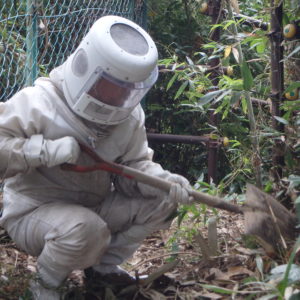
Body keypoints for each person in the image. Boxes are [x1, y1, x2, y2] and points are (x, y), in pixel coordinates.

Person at [0, 15, 193, 299]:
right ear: (85, 68)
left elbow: (133, 166)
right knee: (85, 229)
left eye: (127, 91)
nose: (119, 97)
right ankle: (44, 286)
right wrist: (42, 151)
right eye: (111, 85)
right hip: (33, 213)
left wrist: (162, 181)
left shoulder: (129, 118)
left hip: (93, 208)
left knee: (163, 200)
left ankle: (104, 268)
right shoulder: (38, 103)